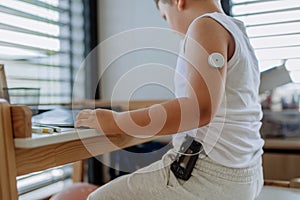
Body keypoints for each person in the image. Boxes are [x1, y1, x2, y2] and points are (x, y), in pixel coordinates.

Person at [75, 0, 264, 199]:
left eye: (165, 17)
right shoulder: (237, 31)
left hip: (209, 176)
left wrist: (118, 121)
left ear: (177, 1)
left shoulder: (205, 26)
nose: (172, 28)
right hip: (247, 171)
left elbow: (198, 109)